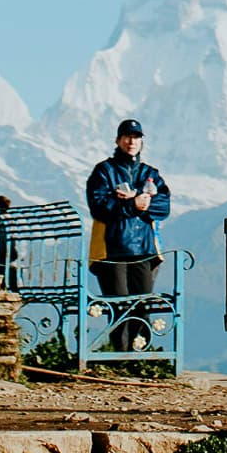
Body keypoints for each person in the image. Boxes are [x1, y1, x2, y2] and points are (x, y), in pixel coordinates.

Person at [86, 118, 171, 351]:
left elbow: (164, 206)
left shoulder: (150, 173)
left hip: (144, 250)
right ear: (118, 140)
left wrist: (141, 203)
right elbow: (98, 206)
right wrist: (133, 205)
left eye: (136, 137)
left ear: (141, 142)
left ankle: (138, 355)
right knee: (119, 306)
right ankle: (121, 356)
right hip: (111, 250)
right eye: (127, 137)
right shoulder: (104, 171)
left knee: (141, 306)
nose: (131, 142)